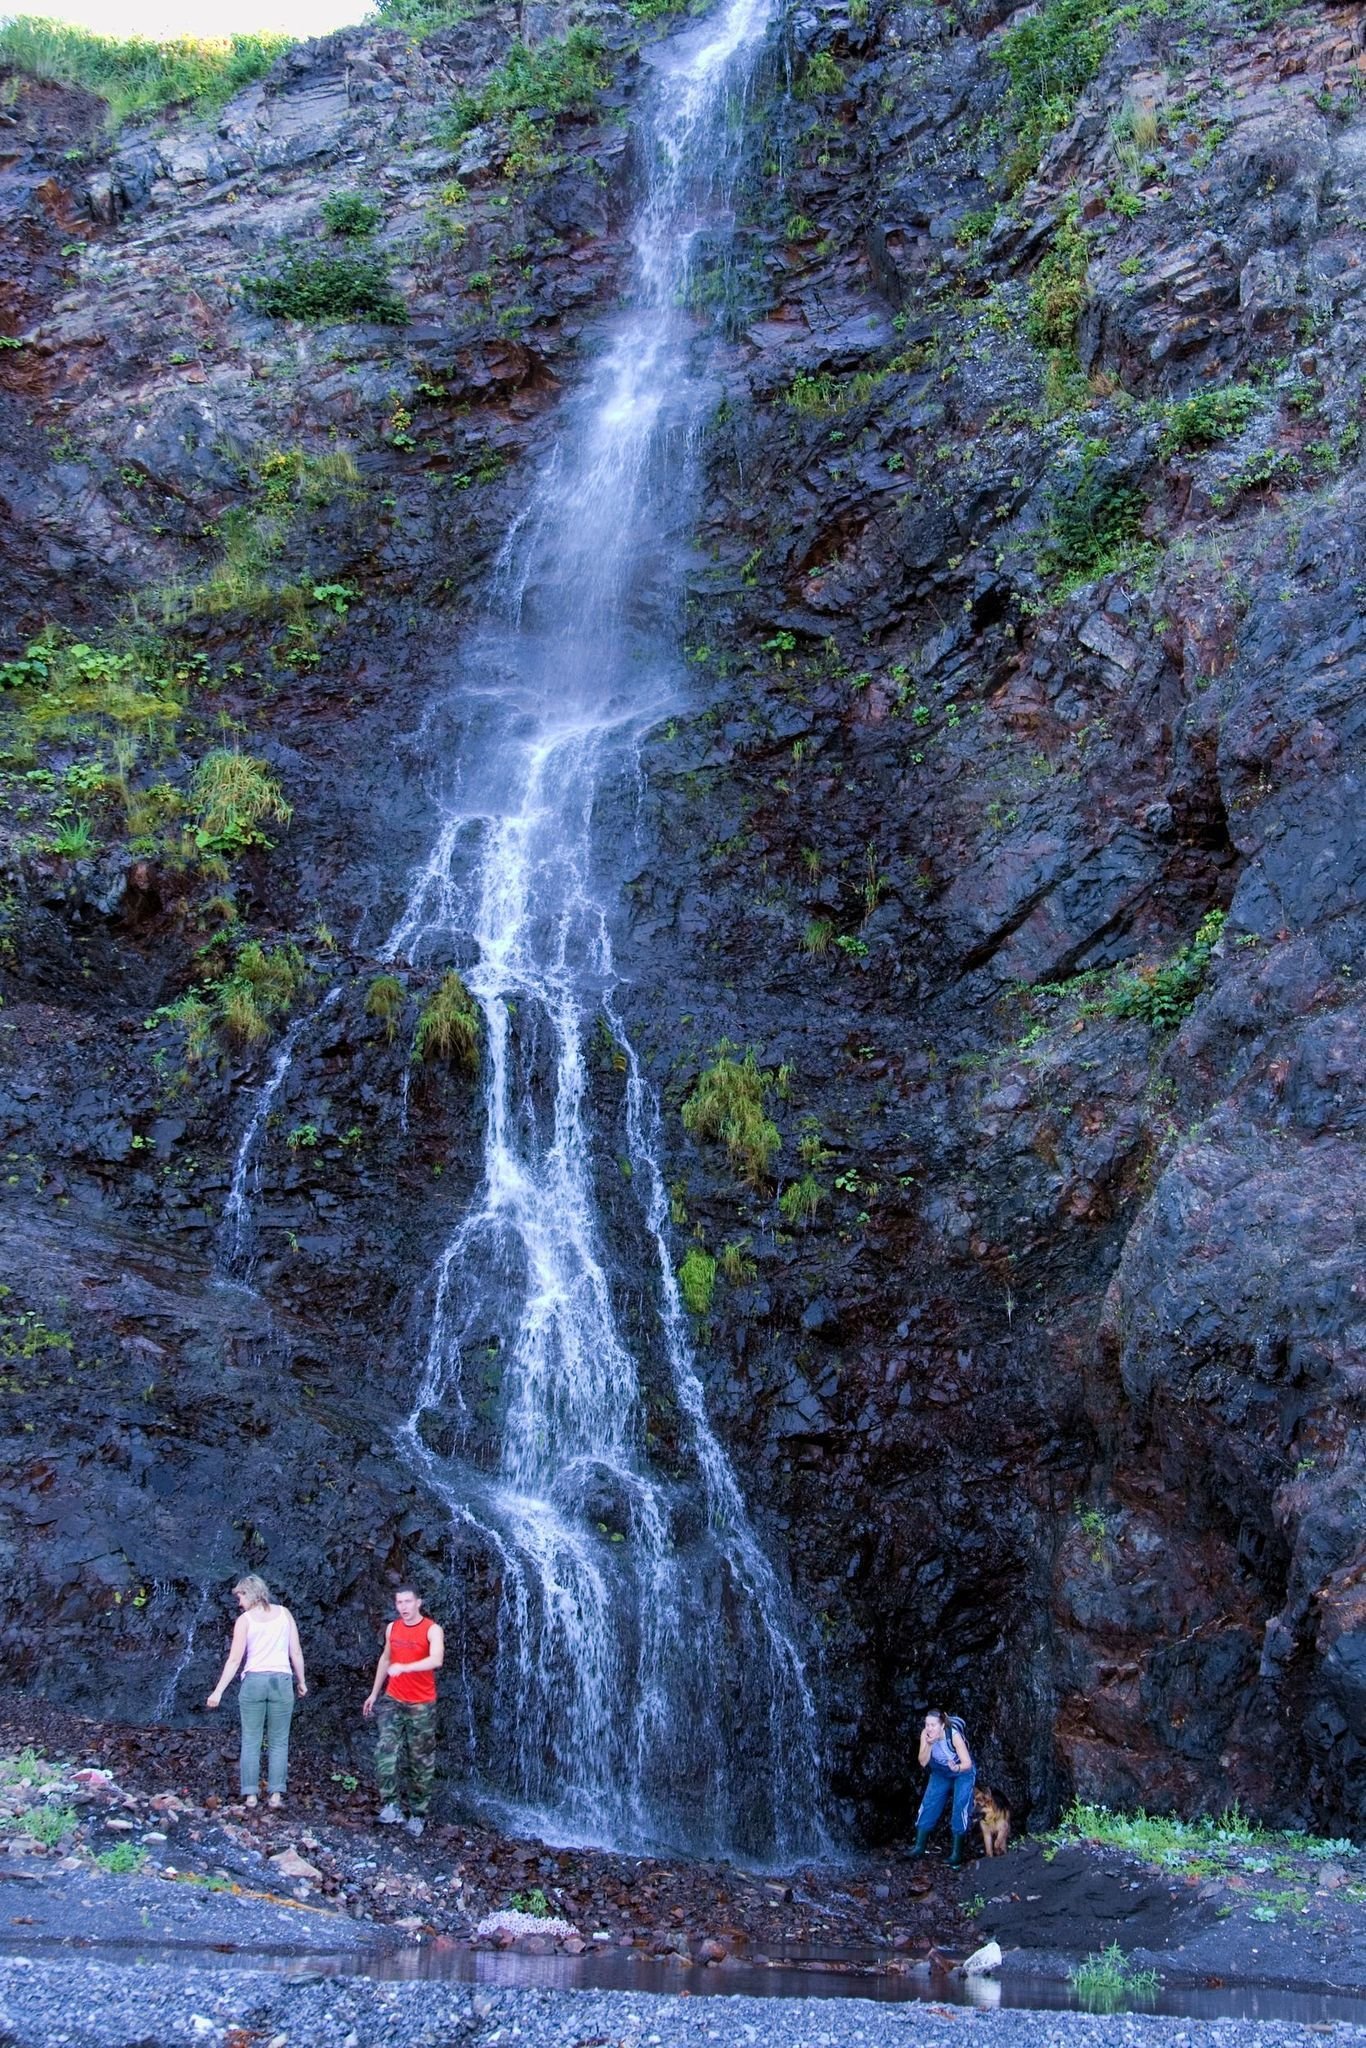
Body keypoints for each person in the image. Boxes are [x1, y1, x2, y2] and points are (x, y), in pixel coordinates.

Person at [206, 1575, 307, 1810]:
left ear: (250, 1593)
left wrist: (218, 1691)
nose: (239, 1602)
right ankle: (275, 1796)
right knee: (279, 1742)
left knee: (251, 1741)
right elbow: (296, 1652)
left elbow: (234, 1660)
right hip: (281, 1681)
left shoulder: (245, 1621)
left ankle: (250, 1796)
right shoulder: (285, 1614)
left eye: (240, 1596)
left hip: (254, 1682)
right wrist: (301, 1681)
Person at [362, 1586, 444, 1839]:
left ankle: (418, 1814)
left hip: (421, 1704)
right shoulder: (392, 1628)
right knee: (385, 1750)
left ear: (418, 1602)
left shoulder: (432, 1629)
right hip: (392, 1699)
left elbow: (436, 1660)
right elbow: (385, 1660)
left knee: (420, 1759)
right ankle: (391, 1806)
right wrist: (374, 1694)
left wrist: (406, 1668)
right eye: (399, 1602)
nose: (404, 1607)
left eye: (408, 1601)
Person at [906, 1707, 976, 1868]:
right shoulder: (926, 1735)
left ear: (942, 1725)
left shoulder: (954, 1736)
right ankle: (919, 1847)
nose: (929, 1728)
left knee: (960, 1807)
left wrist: (956, 1768)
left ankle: (956, 1854)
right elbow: (923, 1762)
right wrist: (929, 1744)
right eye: (927, 1724)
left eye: (933, 1725)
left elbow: (967, 1763)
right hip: (940, 1773)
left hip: (962, 1772)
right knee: (929, 1804)